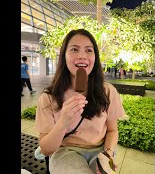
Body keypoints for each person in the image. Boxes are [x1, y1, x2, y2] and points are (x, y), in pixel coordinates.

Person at [34, 29, 125, 174]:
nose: (82, 56)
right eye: (74, 49)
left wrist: (108, 153)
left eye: (89, 50)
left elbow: (113, 130)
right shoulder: (48, 98)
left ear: (95, 57)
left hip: (101, 150)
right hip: (66, 151)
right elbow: (46, 149)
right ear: (64, 56)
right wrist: (64, 121)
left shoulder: (108, 92)